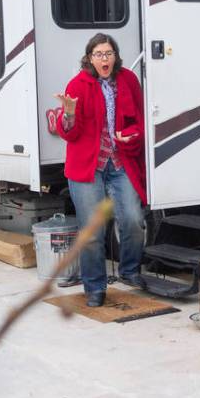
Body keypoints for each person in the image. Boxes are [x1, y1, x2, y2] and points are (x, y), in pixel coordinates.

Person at [55, 33, 146, 307]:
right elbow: (69, 134)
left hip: (121, 161)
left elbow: (139, 118)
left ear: (115, 56)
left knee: (133, 220)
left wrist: (133, 135)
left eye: (108, 53)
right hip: (88, 166)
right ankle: (94, 286)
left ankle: (129, 271)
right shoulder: (78, 84)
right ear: (89, 58)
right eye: (98, 54)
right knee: (92, 231)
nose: (104, 59)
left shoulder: (128, 80)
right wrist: (68, 113)